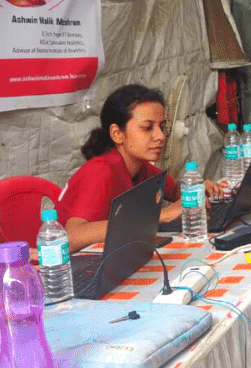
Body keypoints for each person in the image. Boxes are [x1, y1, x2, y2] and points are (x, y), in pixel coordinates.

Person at [58, 85, 210, 252]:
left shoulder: (139, 166)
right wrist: (159, 216)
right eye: (147, 128)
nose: (161, 136)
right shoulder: (101, 171)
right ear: (117, 134)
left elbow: (173, 189)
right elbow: (72, 236)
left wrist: (195, 190)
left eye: (162, 127)